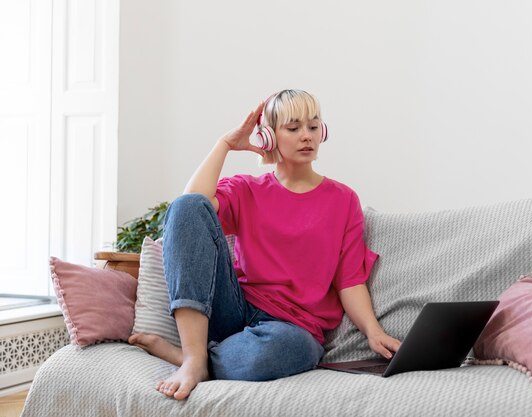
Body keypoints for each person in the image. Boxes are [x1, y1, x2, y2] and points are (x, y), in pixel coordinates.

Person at [129, 89, 400, 400]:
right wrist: (225, 145)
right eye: (293, 127)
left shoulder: (344, 200)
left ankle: (193, 358)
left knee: (289, 351)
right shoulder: (248, 190)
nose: (306, 136)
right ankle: (193, 358)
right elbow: (190, 209)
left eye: (313, 126)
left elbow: (349, 279)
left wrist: (373, 331)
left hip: (292, 329)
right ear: (269, 137)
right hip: (234, 310)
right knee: (186, 205)